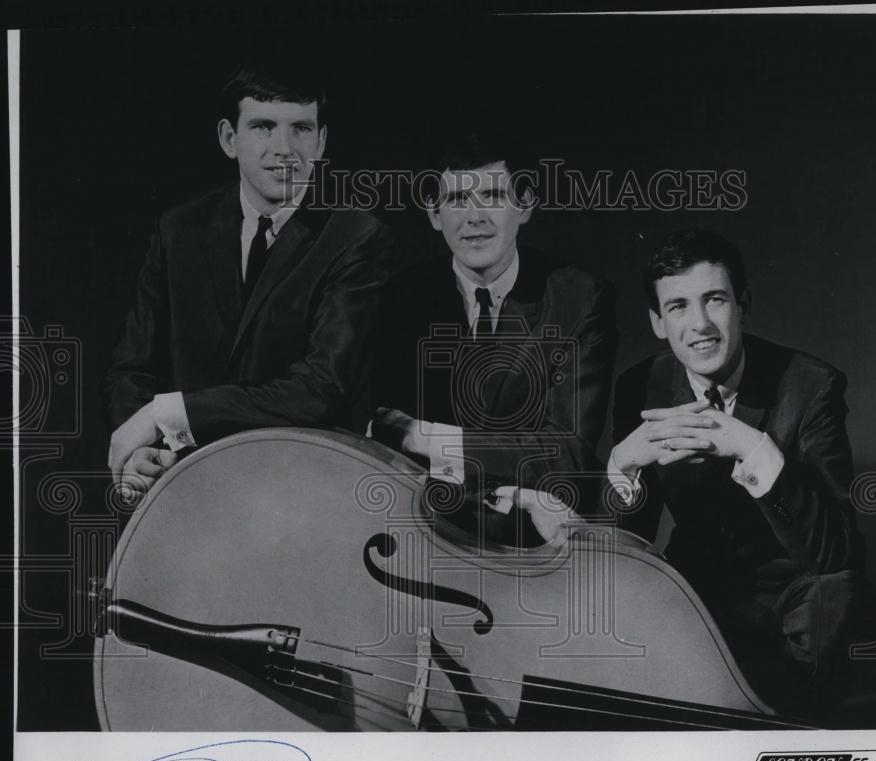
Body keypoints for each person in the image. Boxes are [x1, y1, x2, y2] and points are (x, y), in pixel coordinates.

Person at [608, 228, 863, 714]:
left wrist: (751, 446)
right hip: (697, 590)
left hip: (793, 593)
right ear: (658, 322)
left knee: (838, 591)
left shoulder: (811, 386)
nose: (700, 324)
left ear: (742, 303)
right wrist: (623, 465)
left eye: (715, 300)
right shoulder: (640, 386)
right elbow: (626, 553)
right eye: (678, 306)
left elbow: (836, 553)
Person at [105, 62, 391, 496]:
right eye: (263, 126)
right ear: (228, 139)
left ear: (322, 140)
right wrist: (143, 450)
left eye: (301, 129)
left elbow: (320, 391)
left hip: (305, 493)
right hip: (190, 485)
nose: (285, 149)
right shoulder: (178, 229)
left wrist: (171, 413)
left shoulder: (358, 237)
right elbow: (132, 368)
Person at [372, 135, 617, 544]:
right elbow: (381, 441)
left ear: (524, 205)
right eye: (457, 200)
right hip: (422, 533)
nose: (475, 217)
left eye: (492, 195)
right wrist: (513, 482)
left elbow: (566, 454)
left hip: (532, 542)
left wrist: (424, 436)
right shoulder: (399, 300)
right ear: (434, 214)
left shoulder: (581, 299)